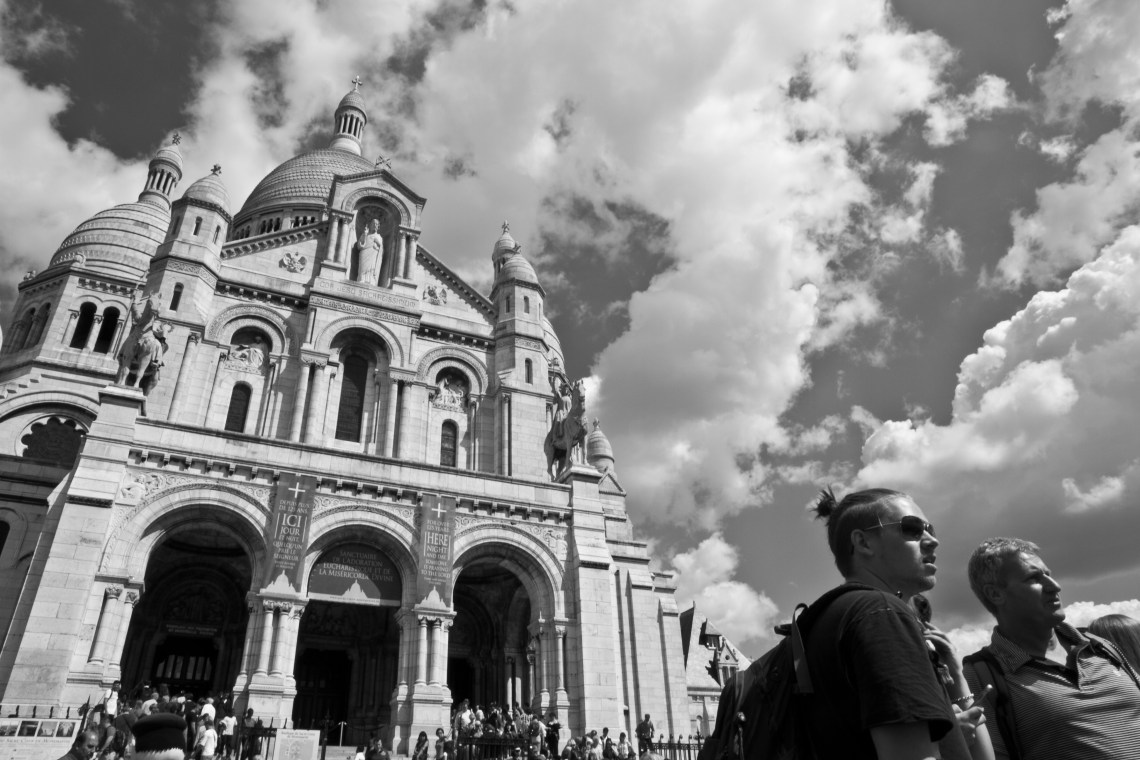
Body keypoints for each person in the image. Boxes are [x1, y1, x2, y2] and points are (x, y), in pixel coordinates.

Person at [804, 487, 992, 760]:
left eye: (930, 529)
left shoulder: (823, 621)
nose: (931, 540)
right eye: (912, 529)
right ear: (863, 543)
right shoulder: (881, 613)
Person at [963, 537, 1140, 758]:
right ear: (995, 594)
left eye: (1049, 574)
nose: (1055, 586)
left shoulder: (1100, 646)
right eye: (1034, 578)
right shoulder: (982, 674)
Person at [356, 218, 385, 286]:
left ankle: (371, 280)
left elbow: (381, 250)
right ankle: (361, 279)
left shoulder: (379, 237)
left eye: (376, 224)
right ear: (370, 225)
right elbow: (360, 245)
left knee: (372, 268)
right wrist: (364, 235)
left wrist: (378, 243)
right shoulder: (366, 234)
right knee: (363, 268)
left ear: (378, 226)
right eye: (373, 223)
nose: (375, 225)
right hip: (364, 253)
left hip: (373, 255)